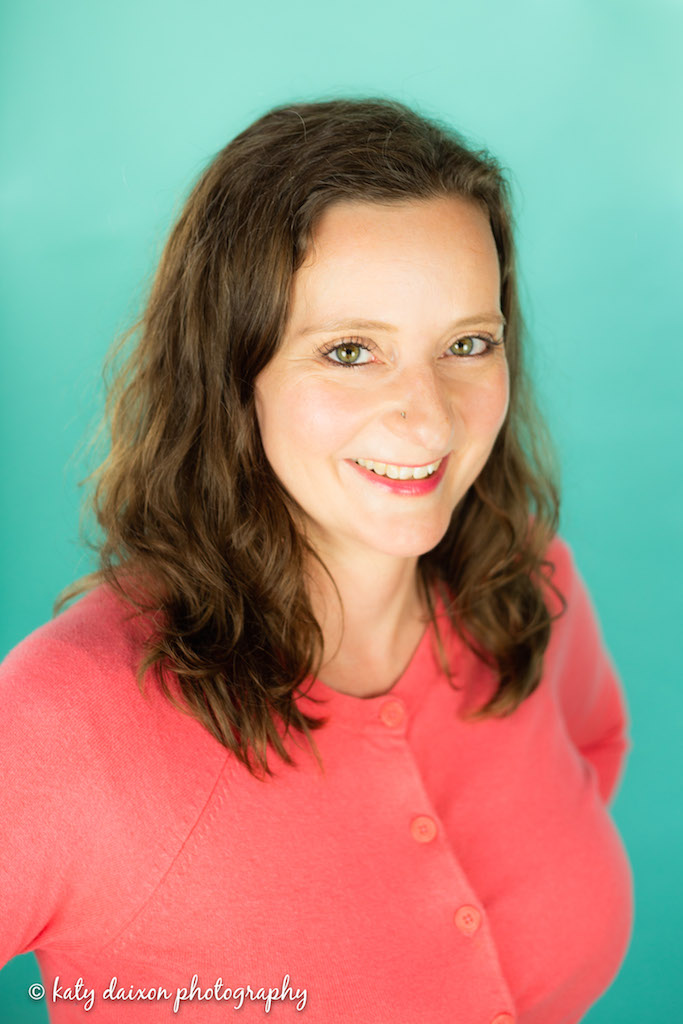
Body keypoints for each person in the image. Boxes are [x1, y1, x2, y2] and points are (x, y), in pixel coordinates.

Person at [0, 97, 633, 1023]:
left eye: (467, 343)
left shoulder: (528, 585)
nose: (428, 415)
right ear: (232, 371)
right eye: (349, 352)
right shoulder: (64, 723)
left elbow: (588, 760)